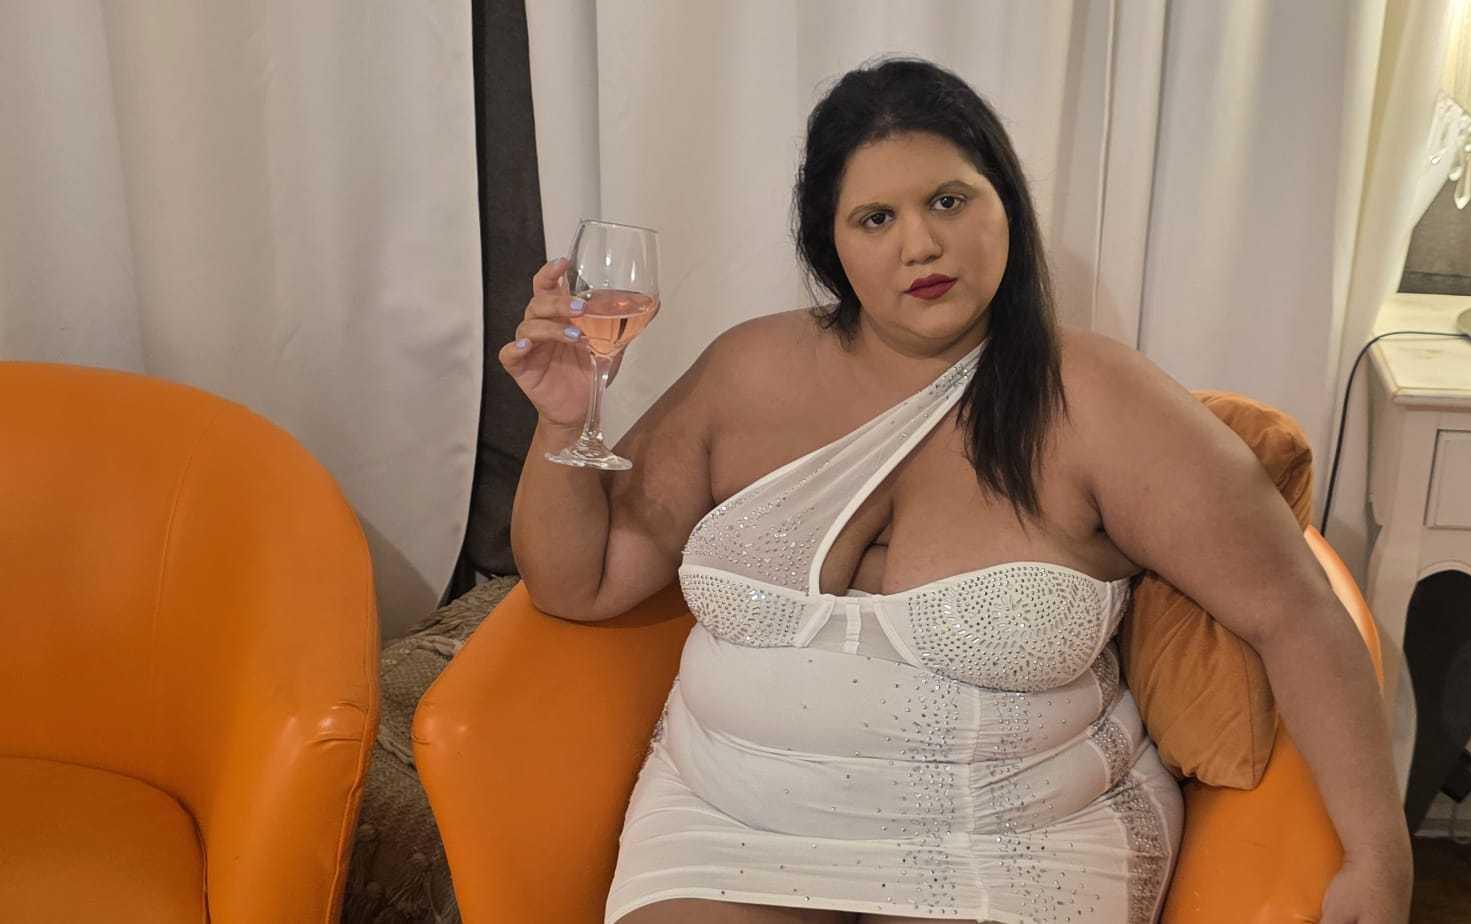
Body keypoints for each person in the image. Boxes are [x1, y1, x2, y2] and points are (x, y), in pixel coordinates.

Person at [502, 57, 1410, 924]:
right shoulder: (746, 372)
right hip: (725, 817)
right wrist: (562, 422)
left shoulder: (1097, 400)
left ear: (1004, 202)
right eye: (875, 219)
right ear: (830, 243)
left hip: (1014, 841)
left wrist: (1380, 856)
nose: (922, 245)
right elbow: (581, 583)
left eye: (948, 200)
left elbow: (1294, 608)